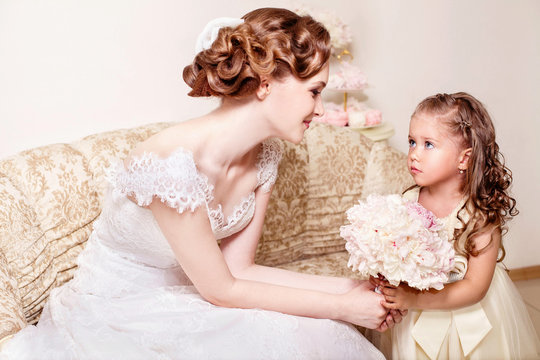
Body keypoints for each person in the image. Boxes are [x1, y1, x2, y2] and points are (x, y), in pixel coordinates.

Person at [1, 8, 402, 359]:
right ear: (265, 84)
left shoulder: (266, 157)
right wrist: (344, 308)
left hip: (197, 292)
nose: (319, 109)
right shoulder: (170, 163)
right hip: (120, 306)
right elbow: (222, 289)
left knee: (324, 335)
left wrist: (351, 289)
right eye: (314, 91)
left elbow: (240, 268)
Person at [374, 92, 540, 359]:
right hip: (416, 315)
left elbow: (475, 287)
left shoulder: (478, 216)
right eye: (411, 142)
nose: (414, 154)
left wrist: (416, 299)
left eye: (428, 144)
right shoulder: (407, 202)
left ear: (464, 158)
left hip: (467, 317)